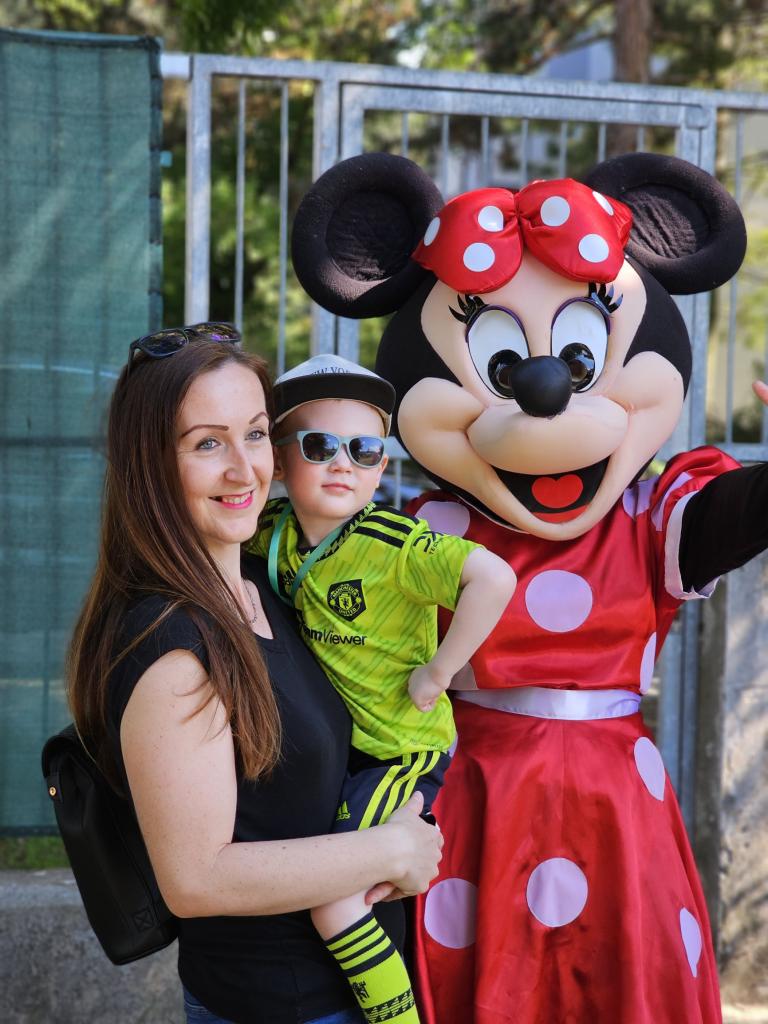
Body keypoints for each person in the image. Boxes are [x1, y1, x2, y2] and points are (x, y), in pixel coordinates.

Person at [66, 324, 444, 1024]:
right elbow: (196, 879)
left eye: (257, 434)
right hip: (277, 1005)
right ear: (150, 465)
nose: (246, 470)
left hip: (342, 991)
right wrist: (390, 849)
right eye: (208, 444)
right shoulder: (173, 646)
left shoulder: (262, 584)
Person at [246, 354, 516, 1024]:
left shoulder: (393, 543)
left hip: (398, 751)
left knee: (335, 900)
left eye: (364, 451)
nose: (344, 464)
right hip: (339, 752)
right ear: (279, 461)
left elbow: (495, 579)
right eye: (320, 446)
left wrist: (440, 671)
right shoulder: (270, 535)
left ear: (381, 468)